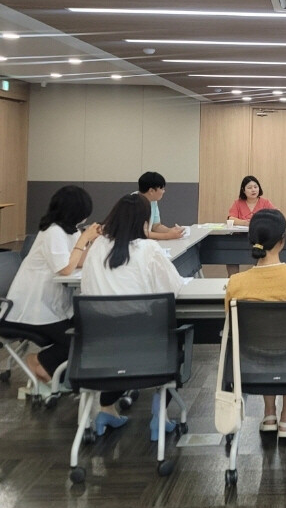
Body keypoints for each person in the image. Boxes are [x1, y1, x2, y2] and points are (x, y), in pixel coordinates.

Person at [81, 193, 186, 437]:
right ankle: (159, 416)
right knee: (176, 342)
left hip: (98, 347)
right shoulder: (148, 248)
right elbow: (172, 288)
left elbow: (86, 289)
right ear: (144, 222)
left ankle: (106, 409)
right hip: (147, 344)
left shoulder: (97, 247)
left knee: (120, 356)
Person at [224, 209, 286, 439]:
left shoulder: (236, 282)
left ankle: (269, 414)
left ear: (251, 240)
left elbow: (232, 325)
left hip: (252, 363)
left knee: (264, 344)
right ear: (282, 240)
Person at [5, 185, 101, 386]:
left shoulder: (70, 231)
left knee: (90, 329)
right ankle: (38, 362)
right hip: (32, 309)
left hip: (52, 306)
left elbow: (80, 260)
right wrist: (84, 238)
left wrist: (93, 241)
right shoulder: (52, 231)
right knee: (76, 339)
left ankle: (48, 368)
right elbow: (65, 268)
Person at [137, 171, 184, 241]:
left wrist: (171, 230)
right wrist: (168, 235)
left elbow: (156, 226)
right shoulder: (133, 203)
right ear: (151, 191)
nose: (164, 191)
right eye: (162, 189)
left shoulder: (153, 201)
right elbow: (142, 233)